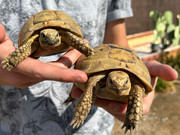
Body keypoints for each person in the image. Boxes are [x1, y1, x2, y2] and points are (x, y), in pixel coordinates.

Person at [0, 0, 178, 135]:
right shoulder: (37, 39)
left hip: (92, 127)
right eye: (46, 36)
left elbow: (116, 42)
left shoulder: (68, 37)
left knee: (122, 87)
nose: (50, 39)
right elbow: (28, 46)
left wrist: (134, 106)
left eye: (55, 35)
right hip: (12, 123)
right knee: (90, 82)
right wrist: (8, 62)